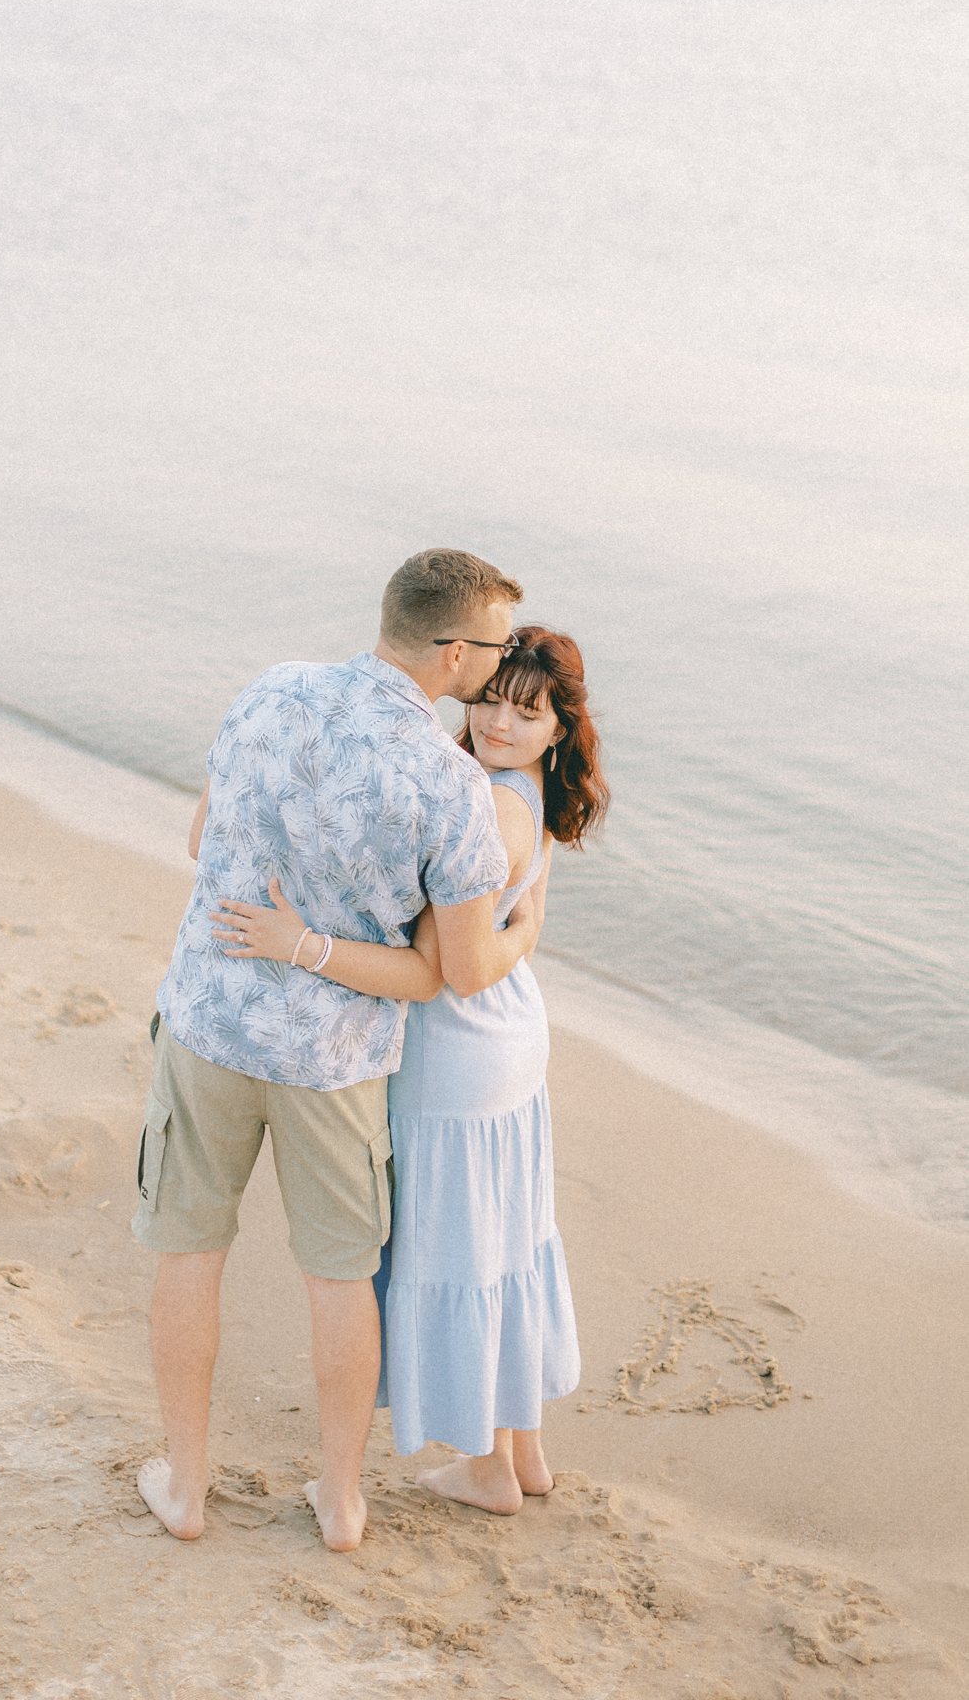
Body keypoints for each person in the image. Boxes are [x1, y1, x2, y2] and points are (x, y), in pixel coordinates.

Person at [132, 549, 535, 1553]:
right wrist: (527, 928)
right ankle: (342, 1499)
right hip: (335, 1062)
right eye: (492, 650)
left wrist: (282, 910)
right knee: (339, 1279)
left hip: (210, 1022)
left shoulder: (269, 690)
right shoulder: (451, 784)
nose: (496, 667)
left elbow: (200, 839)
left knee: (188, 1252)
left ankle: (184, 1483)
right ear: (452, 653)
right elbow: (449, 971)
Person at [214, 626, 608, 1514]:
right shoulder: (529, 793)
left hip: (454, 1051)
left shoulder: (487, 803)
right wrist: (526, 930)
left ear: (558, 724)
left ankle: (486, 1468)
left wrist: (302, 943)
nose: (499, 723)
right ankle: (526, 1449)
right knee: (509, 1238)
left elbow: (450, 969)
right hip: (510, 1039)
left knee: (460, 1252)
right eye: (488, 699)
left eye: (526, 710)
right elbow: (511, 922)